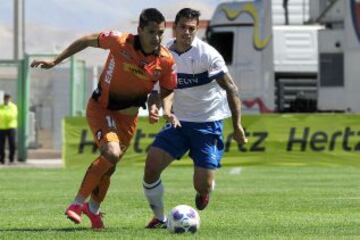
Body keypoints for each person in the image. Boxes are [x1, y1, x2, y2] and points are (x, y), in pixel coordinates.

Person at [31, 8, 177, 230]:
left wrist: (158, 107)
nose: (156, 38)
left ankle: (94, 210)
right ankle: (78, 203)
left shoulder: (165, 60)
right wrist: (55, 61)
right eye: (151, 32)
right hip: (102, 109)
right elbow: (86, 40)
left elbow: (162, 91)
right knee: (111, 152)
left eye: (160, 33)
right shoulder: (119, 41)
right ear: (139, 30)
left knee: (110, 166)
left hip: (129, 119)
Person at [143, 8, 248, 229]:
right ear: (174, 28)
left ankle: (205, 190)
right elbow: (155, 90)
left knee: (202, 186)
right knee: (151, 166)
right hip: (177, 122)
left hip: (208, 123)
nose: (187, 32)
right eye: (183, 27)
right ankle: (160, 217)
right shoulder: (162, 54)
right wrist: (155, 108)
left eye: (192, 29)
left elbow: (232, 89)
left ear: (197, 30)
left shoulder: (207, 55)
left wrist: (237, 125)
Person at [0, 94, 18, 165]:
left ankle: (11, 159)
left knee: (12, 144)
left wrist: (3, 116)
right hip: (1, 127)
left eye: (8, 99)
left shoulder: (13, 106)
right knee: (1, 145)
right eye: (5, 99)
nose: (6, 100)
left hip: (11, 127)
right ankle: (2, 159)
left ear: (10, 99)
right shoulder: (1, 106)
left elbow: (12, 116)